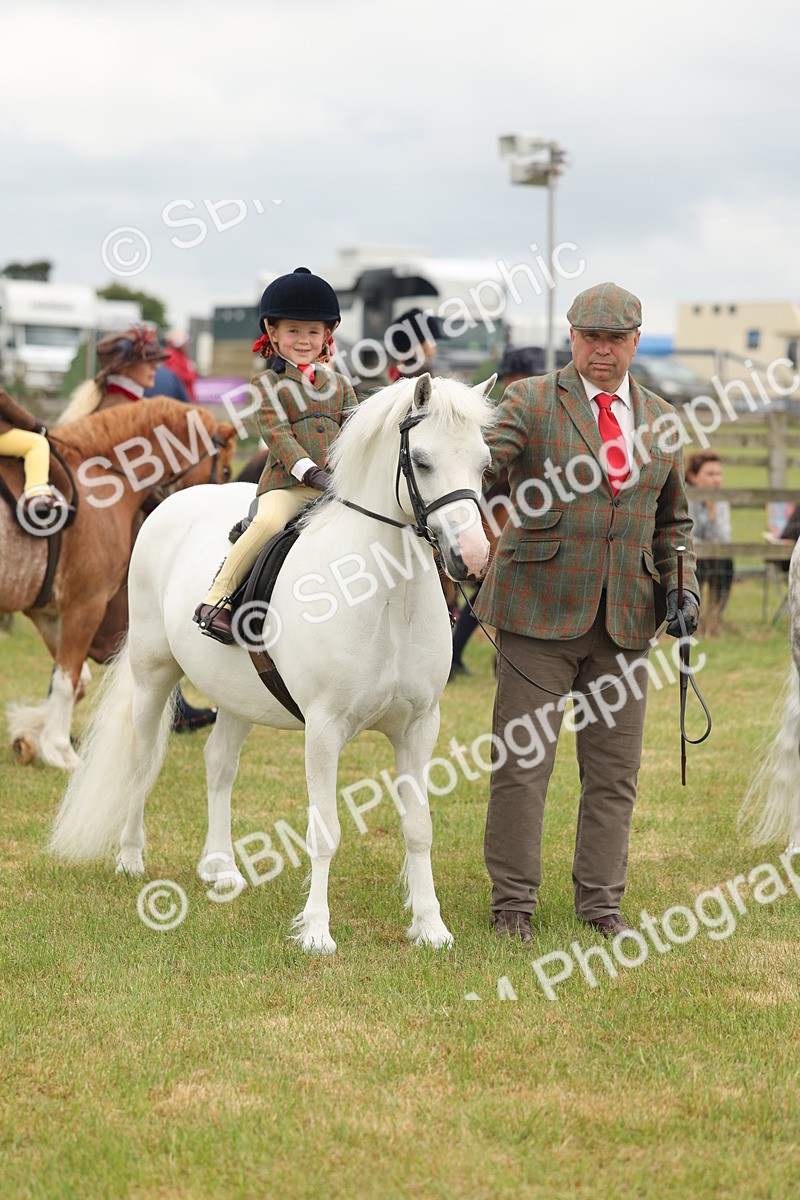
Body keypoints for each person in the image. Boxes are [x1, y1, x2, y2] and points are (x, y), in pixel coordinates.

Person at [476, 282, 700, 943]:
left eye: (616, 339)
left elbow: (674, 519)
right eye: (590, 338)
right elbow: (480, 467)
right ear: (571, 338)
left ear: (635, 342)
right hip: (536, 613)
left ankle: (601, 904)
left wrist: (681, 590)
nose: (602, 350)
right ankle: (512, 903)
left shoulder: (661, 417)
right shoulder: (529, 400)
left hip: (627, 620)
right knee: (522, 767)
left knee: (614, 774)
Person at [57, 326, 217, 732]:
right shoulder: (118, 407)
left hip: (124, 522)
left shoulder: (125, 402)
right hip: (108, 530)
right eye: (149, 362)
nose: (156, 370)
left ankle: (170, 705)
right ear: (125, 367)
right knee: (117, 620)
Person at [193, 267, 358, 643]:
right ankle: (216, 600)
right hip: (288, 486)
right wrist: (310, 472)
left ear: (326, 336)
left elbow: (354, 430)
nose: (304, 340)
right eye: (293, 331)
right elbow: (277, 433)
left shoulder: (342, 385)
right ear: (273, 333)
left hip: (338, 487)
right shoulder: (267, 383)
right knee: (267, 524)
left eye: (313, 331)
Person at [685, 450, 733, 633]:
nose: (717, 479)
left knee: (726, 563)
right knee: (696, 563)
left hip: (711, 553)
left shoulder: (720, 499)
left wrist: (713, 514)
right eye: (710, 474)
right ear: (693, 477)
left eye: (719, 474)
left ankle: (714, 618)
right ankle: (691, 618)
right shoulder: (684, 496)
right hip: (691, 555)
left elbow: (724, 538)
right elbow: (686, 535)